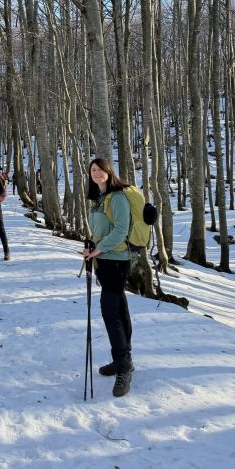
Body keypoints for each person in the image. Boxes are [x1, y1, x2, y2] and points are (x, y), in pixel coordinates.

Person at [82, 157, 132, 397]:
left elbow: (121, 230)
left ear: (109, 172)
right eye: (93, 170)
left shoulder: (118, 197)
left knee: (110, 313)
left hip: (117, 261)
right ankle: (124, 360)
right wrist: (91, 246)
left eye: (100, 169)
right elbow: (100, 230)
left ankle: (123, 369)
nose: (97, 173)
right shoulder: (99, 199)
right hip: (104, 261)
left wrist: (98, 249)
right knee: (120, 310)